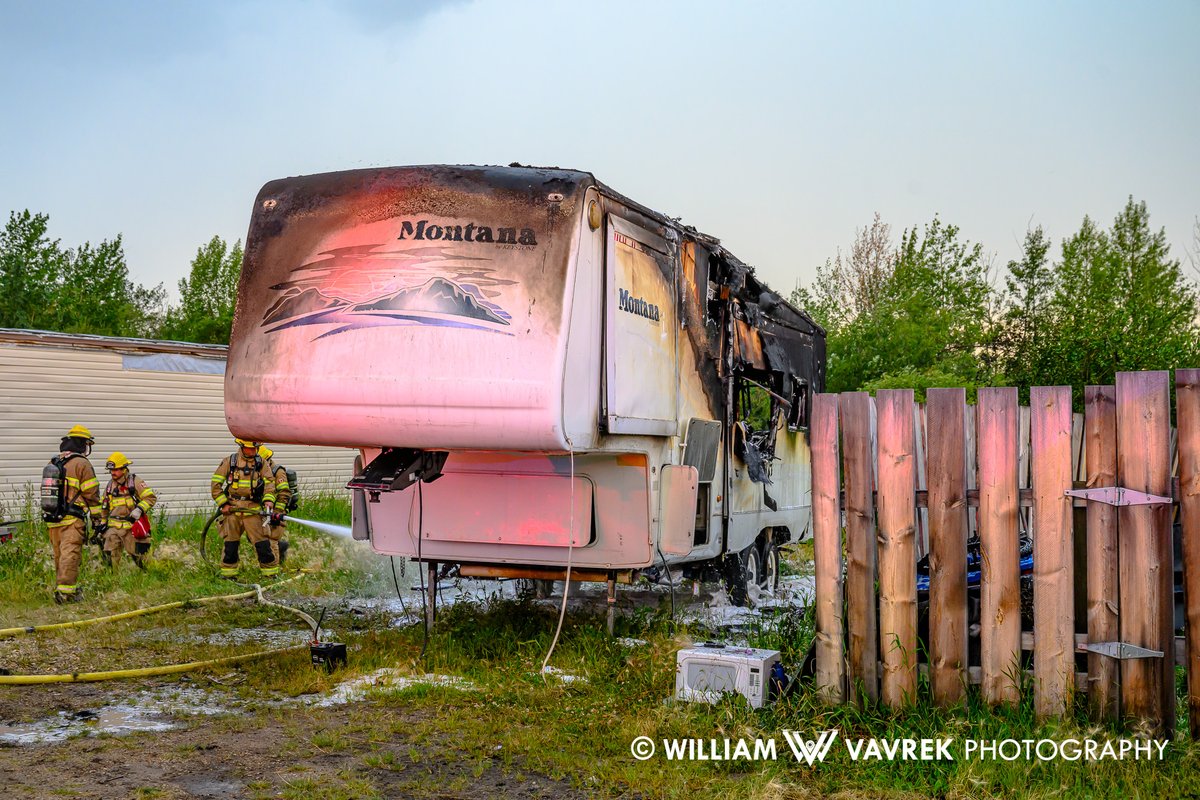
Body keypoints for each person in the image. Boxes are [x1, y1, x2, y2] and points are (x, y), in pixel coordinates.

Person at [45, 425, 103, 603]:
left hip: (53, 519)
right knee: (71, 555)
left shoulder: (53, 462)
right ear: (81, 444)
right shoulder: (82, 463)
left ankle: (61, 589)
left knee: (59, 556)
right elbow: (91, 494)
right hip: (72, 519)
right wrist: (97, 520)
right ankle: (66, 594)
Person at [211, 437, 278, 579]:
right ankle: (228, 574)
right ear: (242, 447)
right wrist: (224, 504)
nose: (253, 451)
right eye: (250, 448)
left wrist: (268, 501)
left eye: (255, 448)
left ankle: (270, 573)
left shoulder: (262, 463)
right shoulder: (230, 461)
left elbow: (270, 484)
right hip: (233, 509)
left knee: (262, 543)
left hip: (252, 509)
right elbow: (215, 485)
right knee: (231, 544)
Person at [100, 452, 157, 569]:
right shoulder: (110, 485)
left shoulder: (134, 481)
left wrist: (139, 509)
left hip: (132, 528)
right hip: (114, 529)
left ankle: (152, 578)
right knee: (109, 559)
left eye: (116, 470)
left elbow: (150, 498)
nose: (113, 473)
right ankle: (112, 582)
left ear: (124, 469)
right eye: (111, 470)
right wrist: (102, 522)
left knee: (143, 560)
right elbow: (105, 506)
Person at [258, 446, 290, 565]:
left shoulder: (278, 472)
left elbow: (284, 493)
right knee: (255, 538)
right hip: (262, 510)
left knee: (271, 540)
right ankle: (281, 547)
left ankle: (274, 570)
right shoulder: (258, 471)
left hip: (276, 511)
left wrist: (277, 512)